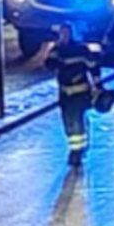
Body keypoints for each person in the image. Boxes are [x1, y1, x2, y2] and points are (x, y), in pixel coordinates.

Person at [45, 23, 103, 166]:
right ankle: (76, 148)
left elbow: (93, 67)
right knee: (68, 121)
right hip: (65, 93)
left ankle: (76, 151)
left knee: (76, 120)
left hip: (80, 91)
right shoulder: (58, 50)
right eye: (62, 33)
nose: (64, 36)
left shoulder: (80, 49)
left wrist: (98, 86)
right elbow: (49, 65)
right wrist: (54, 52)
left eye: (66, 33)